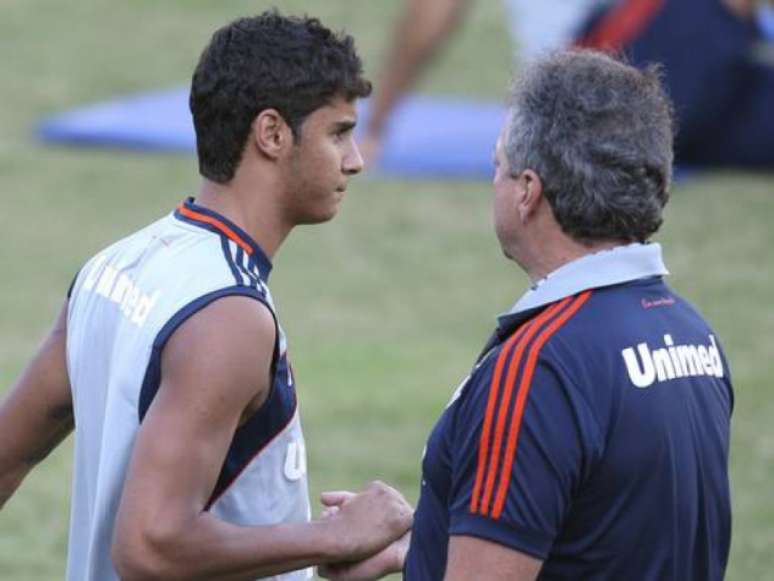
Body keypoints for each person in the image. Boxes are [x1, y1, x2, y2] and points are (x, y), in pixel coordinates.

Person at [0, 11, 413, 581]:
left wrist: (316, 560)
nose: (355, 160)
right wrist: (331, 534)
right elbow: (150, 546)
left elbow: (7, 457)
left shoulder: (116, 264)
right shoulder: (229, 315)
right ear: (271, 134)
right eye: (337, 132)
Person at [323, 50, 733, 580]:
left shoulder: (537, 370)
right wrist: (424, 545)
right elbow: (609, 535)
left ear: (527, 193)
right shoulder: (690, 335)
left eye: (498, 166)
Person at [362, 0, 774, 168]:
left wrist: (379, 125)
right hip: (601, 86)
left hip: (620, 93)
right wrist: (377, 127)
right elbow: (430, 19)